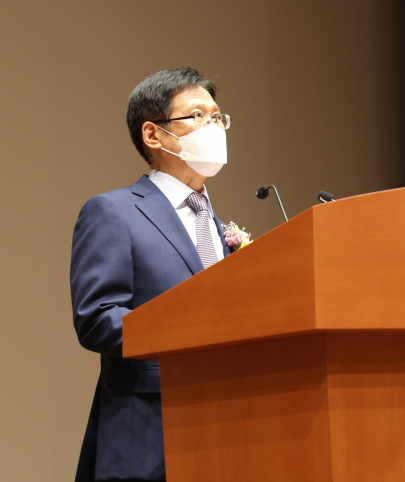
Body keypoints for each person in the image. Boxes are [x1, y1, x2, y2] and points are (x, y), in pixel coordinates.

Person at [70, 67, 232, 482]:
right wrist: (194, 332)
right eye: (197, 116)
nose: (213, 126)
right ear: (153, 134)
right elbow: (98, 318)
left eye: (217, 117)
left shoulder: (220, 226)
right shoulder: (115, 212)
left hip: (230, 428)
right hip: (148, 434)